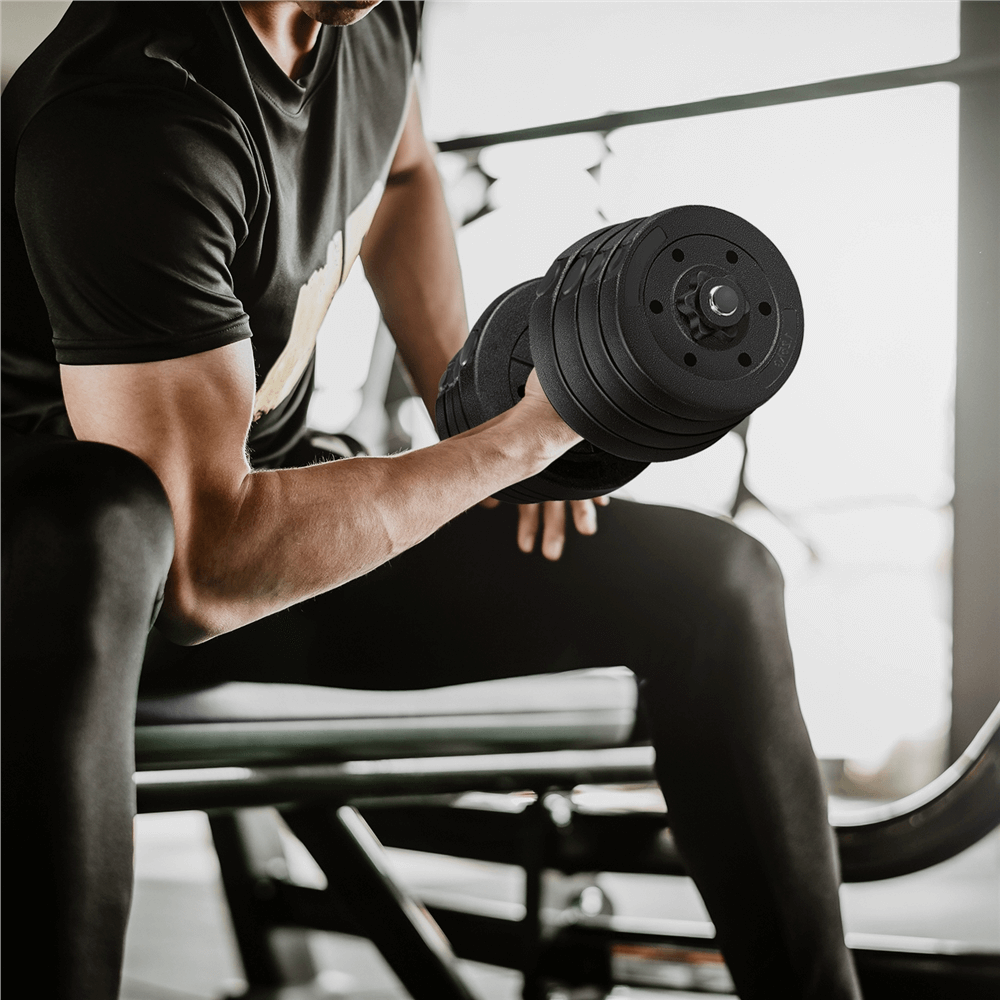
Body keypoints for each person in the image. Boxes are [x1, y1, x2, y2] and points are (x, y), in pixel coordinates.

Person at [1, 2, 862, 998]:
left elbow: (404, 171)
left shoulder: (368, 16)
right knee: (104, 517)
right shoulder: (134, 115)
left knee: (717, 585)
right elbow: (205, 567)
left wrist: (466, 408)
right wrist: (510, 445)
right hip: (74, 589)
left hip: (242, 531)